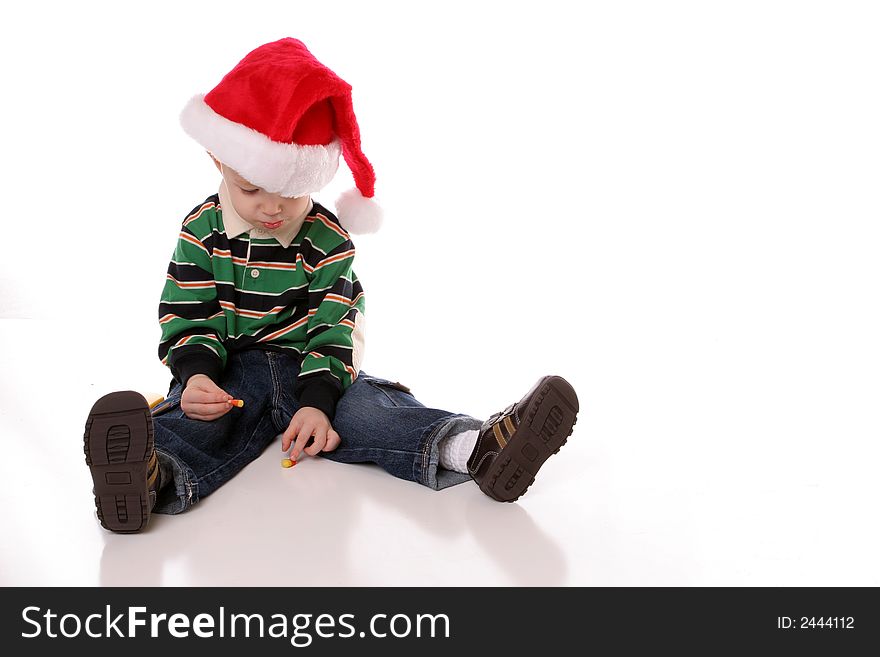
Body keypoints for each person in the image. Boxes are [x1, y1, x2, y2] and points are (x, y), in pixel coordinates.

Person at [82, 37, 580, 533]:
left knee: (373, 412)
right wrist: (194, 375)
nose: (273, 208)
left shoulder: (327, 238)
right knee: (202, 422)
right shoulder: (202, 232)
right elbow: (188, 312)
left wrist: (319, 402)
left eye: (292, 193)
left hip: (315, 367)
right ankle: (149, 475)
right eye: (252, 189)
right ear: (219, 160)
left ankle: (478, 450)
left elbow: (334, 320)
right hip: (231, 370)